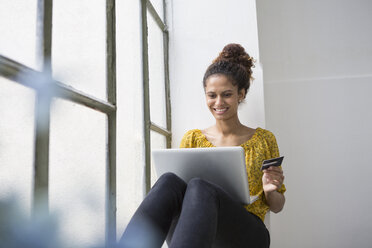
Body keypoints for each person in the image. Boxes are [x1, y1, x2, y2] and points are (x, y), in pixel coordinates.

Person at [118, 43, 286, 248]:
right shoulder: (193, 139)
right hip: (197, 229)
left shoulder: (264, 139)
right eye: (212, 95)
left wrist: (270, 191)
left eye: (227, 94)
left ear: (241, 94)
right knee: (169, 181)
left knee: (199, 186)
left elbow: (277, 207)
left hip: (246, 234)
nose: (218, 102)